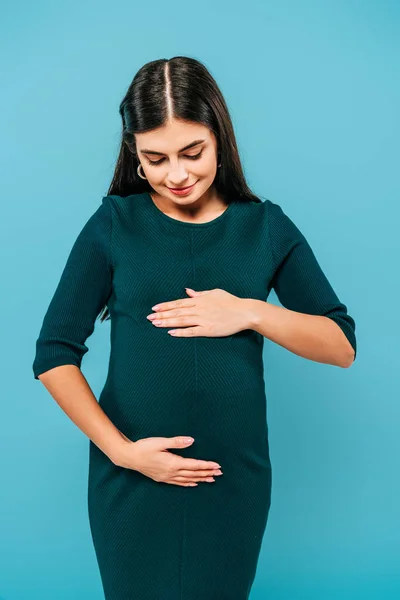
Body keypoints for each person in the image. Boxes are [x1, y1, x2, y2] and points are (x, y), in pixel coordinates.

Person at [32, 55, 357, 599]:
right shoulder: (114, 224)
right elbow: (53, 353)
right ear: (134, 152)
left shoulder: (266, 228)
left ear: (219, 139)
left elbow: (341, 344)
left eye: (192, 152)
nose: (176, 174)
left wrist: (251, 311)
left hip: (233, 479)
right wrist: (123, 452)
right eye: (155, 158)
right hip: (133, 475)